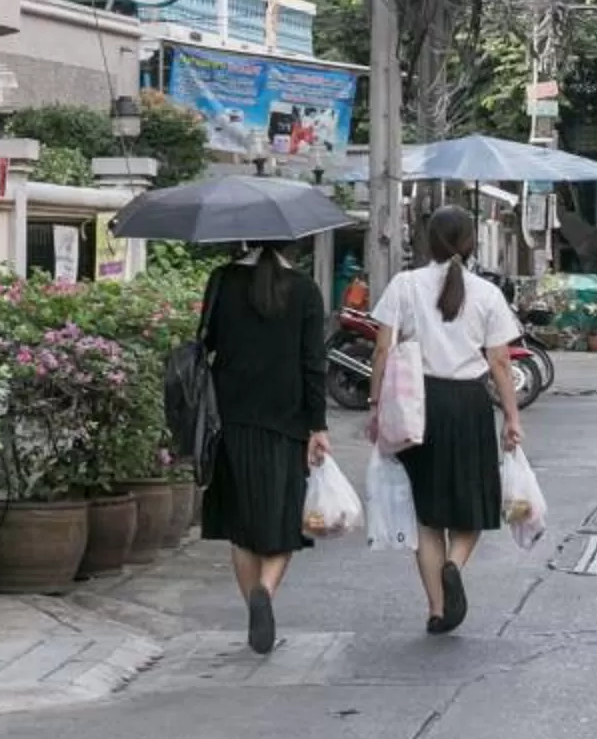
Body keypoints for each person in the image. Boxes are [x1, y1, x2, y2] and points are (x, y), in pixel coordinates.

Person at [366, 206, 523, 635]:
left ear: (428, 242)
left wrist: (375, 404)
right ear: (472, 244)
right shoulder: (488, 294)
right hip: (469, 403)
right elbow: (501, 363)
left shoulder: (404, 285)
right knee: (472, 505)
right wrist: (511, 416)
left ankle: (437, 610)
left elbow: (382, 350)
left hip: (419, 404)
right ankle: (455, 564)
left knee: (428, 514)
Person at [198, 242, 333, 654]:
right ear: (293, 242)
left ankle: (255, 610)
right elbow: (313, 362)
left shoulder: (221, 281)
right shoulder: (305, 290)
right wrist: (318, 425)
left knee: (241, 526)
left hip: (232, 418)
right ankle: (266, 593)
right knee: (286, 522)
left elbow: (206, 344)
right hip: (287, 422)